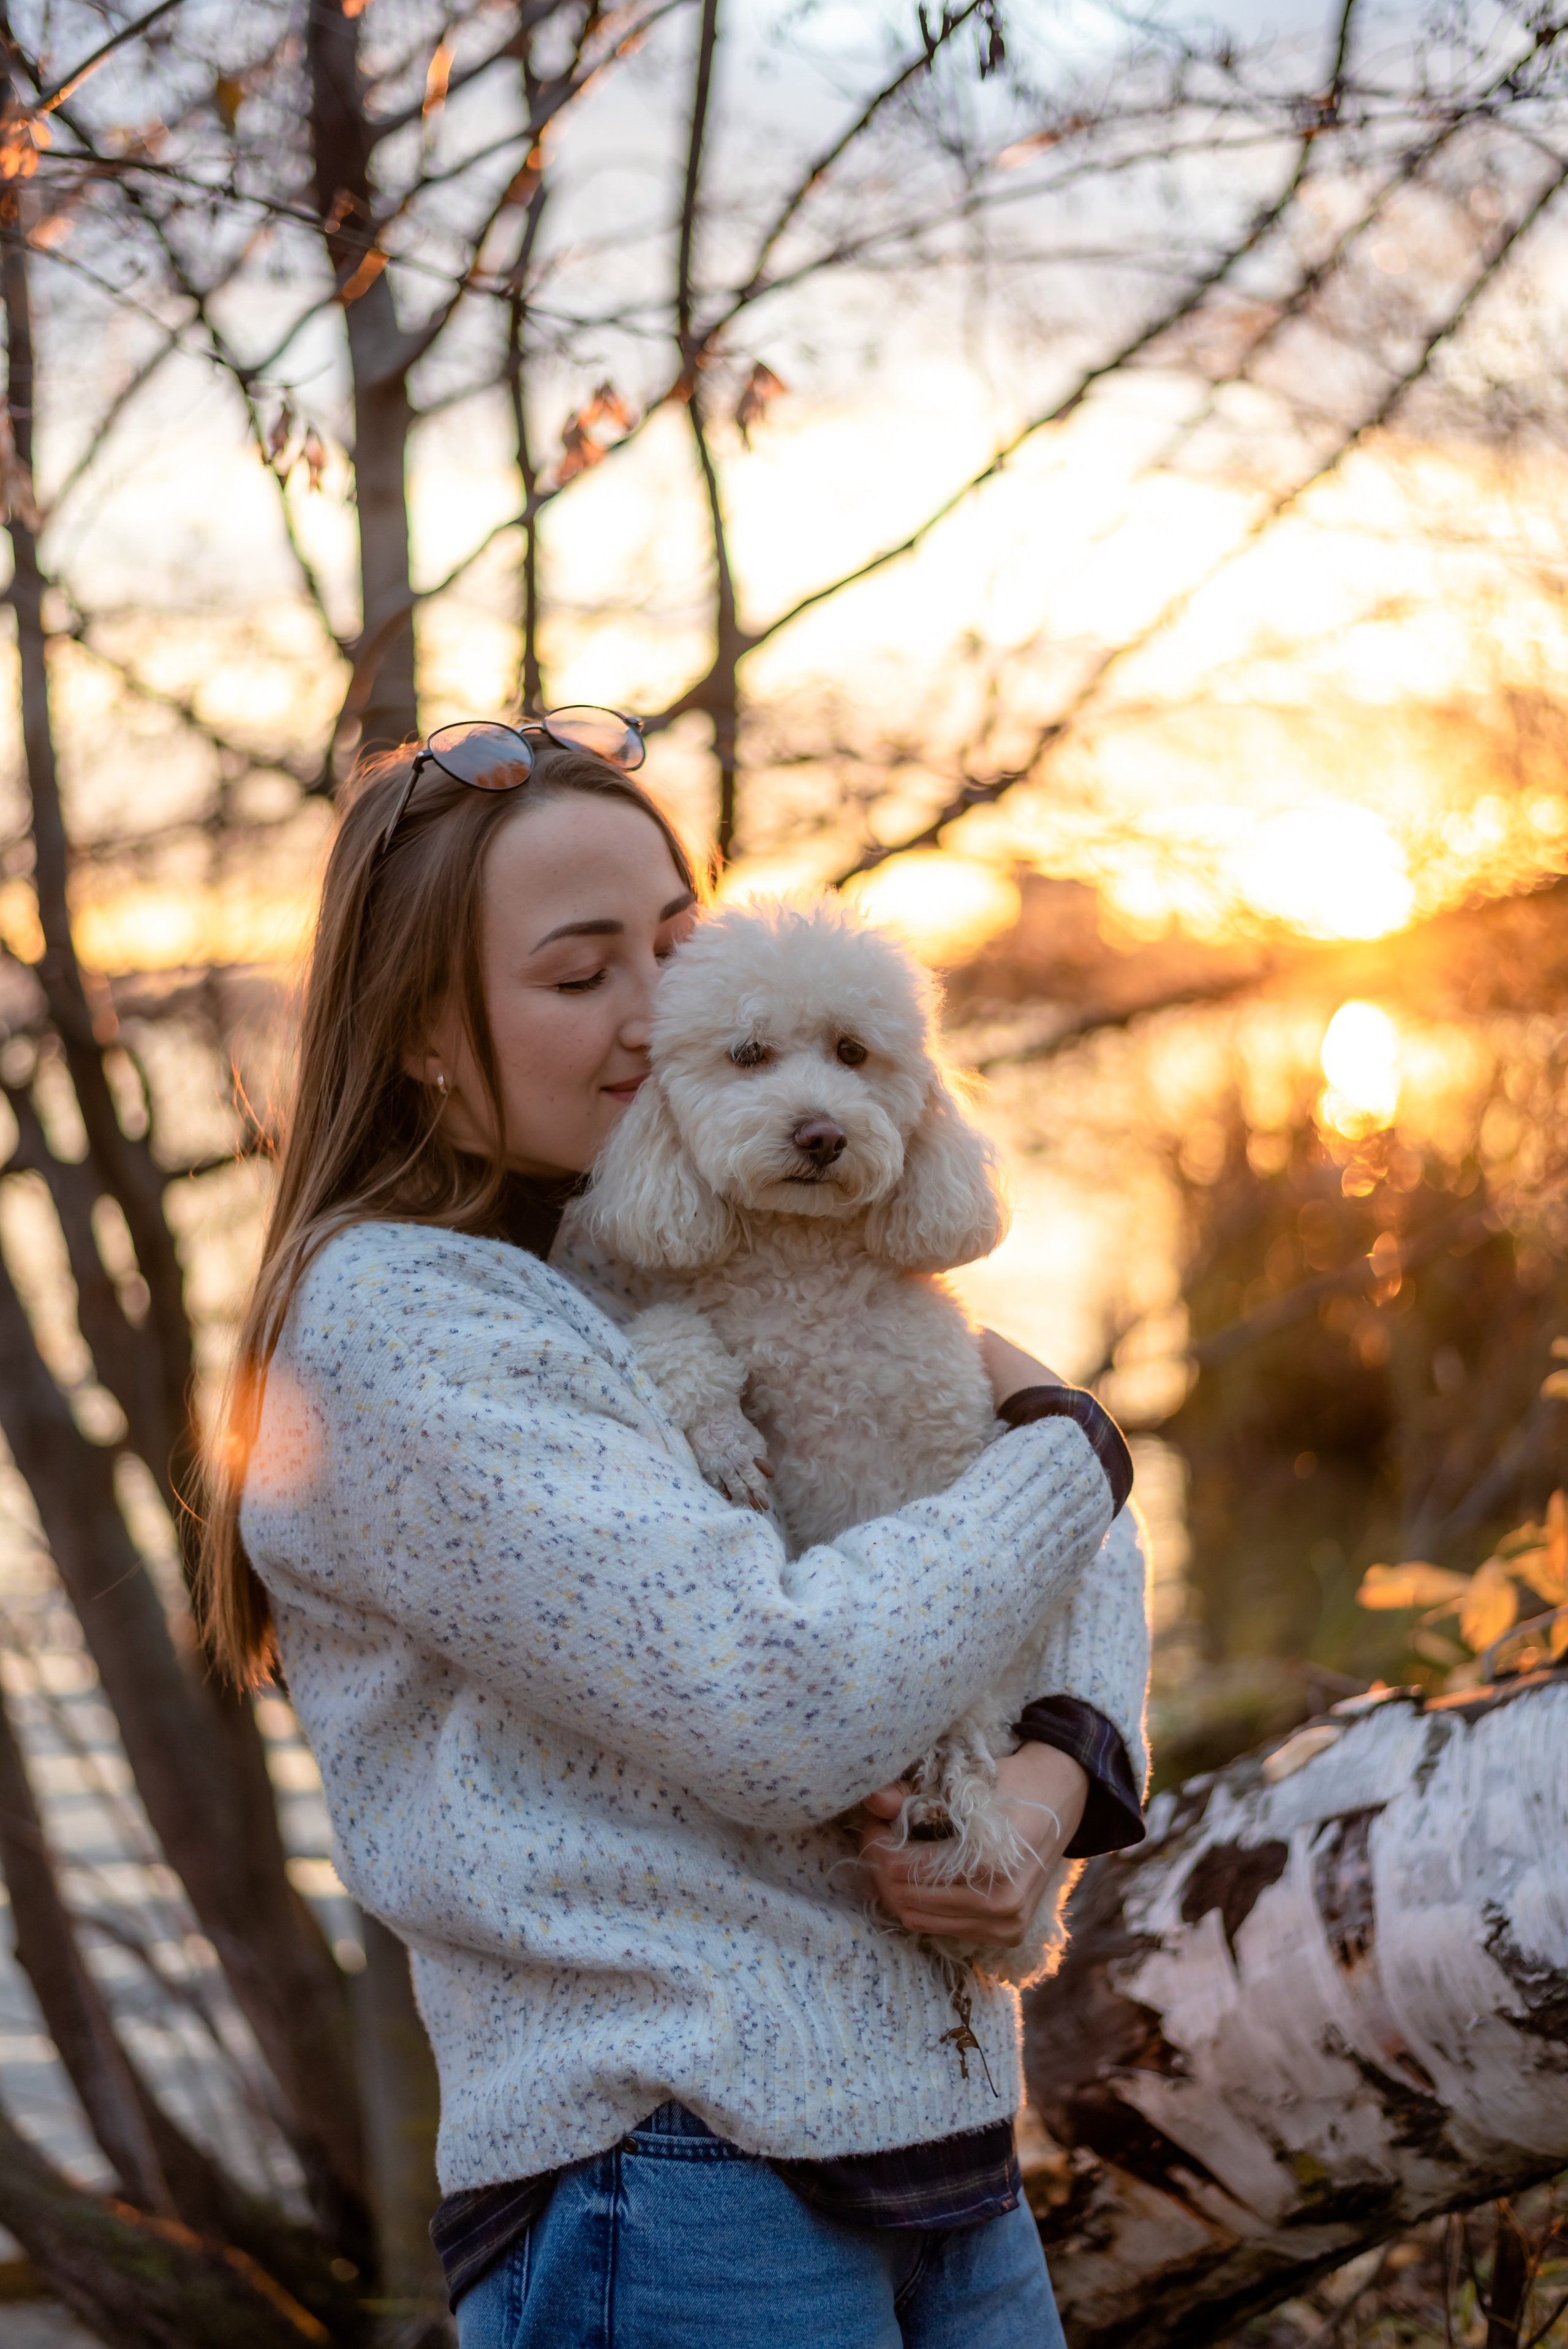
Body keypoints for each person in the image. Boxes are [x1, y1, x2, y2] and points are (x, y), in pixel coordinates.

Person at [202, 714, 1152, 2349]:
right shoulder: (403, 1329)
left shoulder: (698, 1248)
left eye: (673, 944)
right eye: (581, 976)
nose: (652, 1018)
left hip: (932, 2137)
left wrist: (1049, 1775)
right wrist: (1069, 1447)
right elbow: (779, 1700)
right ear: (424, 1035)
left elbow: (1057, 1548)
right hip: (676, 2172)